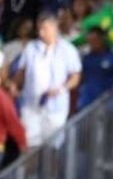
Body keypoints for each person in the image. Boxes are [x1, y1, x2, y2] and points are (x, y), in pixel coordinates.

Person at [10, 13, 81, 147]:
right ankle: (31, 168)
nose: (41, 33)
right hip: (31, 105)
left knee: (53, 146)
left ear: (54, 28)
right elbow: (21, 71)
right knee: (30, 145)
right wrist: (15, 85)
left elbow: (75, 77)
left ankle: (51, 168)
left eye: (45, 29)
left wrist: (62, 88)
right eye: (39, 29)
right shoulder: (31, 48)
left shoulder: (68, 50)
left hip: (56, 107)